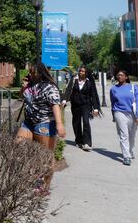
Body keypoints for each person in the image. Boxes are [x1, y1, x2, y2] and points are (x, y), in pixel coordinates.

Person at [16, 63, 65, 192]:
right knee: (18, 144)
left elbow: (55, 105)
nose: (30, 74)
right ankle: (31, 176)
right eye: (29, 72)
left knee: (46, 156)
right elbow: (21, 97)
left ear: (39, 73)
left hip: (44, 123)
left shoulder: (49, 87)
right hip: (28, 122)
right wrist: (23, 87)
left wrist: (60, 125)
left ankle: (45, 185)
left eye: (32, 72)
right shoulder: (30, 85)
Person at [62, 66, 101, 151]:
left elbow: (93, 95)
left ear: (86, 73)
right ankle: (79, 140)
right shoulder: (74, 80)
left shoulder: (89, 82)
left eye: (83, 71)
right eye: (80, 71)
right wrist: (64, 100)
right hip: (75, 105)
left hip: (86, 105)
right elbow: (68, 90)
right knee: (76, 123)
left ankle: (87, 143)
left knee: (86, 122)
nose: (81, 73)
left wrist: (96, 108)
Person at [110, 70, 138, 166]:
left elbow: (137, 102)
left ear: (126, 77)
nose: (119, 77)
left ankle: (130, 151)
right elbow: (113, 103)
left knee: (132, 135)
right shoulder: (113, 89)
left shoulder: (134, 88)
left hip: (132, 114)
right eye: (118, 75)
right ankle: (126, 156)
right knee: (123, 135)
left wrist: (137, 115)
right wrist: (113, 115)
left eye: (121, 75)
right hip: (119, 112)